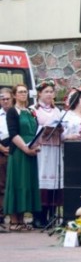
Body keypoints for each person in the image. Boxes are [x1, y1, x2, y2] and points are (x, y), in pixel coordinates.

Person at [3, 84, 41, 231]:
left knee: (27, 183)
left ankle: (23, 218)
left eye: (25, 92)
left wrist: (37, 145)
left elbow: (36, 131)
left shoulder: (31, 111)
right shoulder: (13, 111)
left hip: (31, 151)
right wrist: (25, 148)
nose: (23, 94)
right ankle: (14, 220)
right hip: (19, 151)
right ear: (14, 95)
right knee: (17, 182)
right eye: (20, 92)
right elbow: (13, 134)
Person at [32, 81, 63, 229]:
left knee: (54, 181)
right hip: (42, 148)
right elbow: (32, 129)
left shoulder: (57, 110)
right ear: (39, 94)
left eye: (51, 92)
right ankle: (39, 216)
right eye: (46, 92)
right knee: (41, 181)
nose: (49, 94)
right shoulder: (34, 110)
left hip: (55, 148)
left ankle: (52, 213)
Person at [0, 88, 12, 231]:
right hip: (2, 150)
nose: (5, 101)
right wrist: (2, 148)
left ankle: (16, 217)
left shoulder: (16, 114)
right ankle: (1, 217)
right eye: (2, 98)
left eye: (7, 98)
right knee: (1, 185)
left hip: (16, 150)